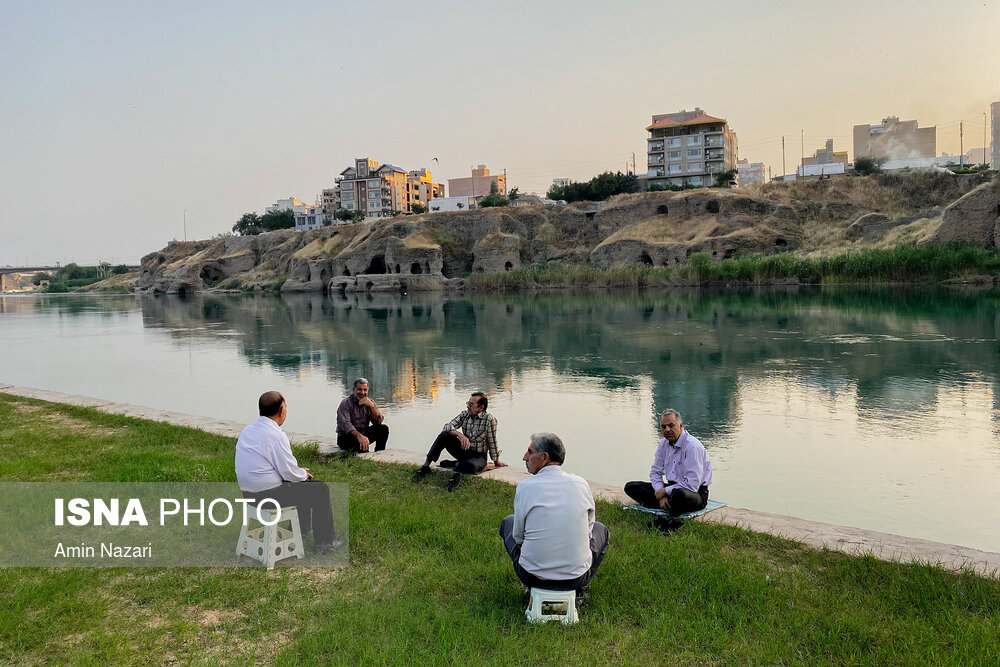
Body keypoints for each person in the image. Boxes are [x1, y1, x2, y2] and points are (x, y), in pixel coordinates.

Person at [498, 433, 609, 604]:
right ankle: (579, 591)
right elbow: (588, 531)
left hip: (532, 576)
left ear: (544, 458)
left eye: (529, 452)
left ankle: (534, 588)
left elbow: (518, 537)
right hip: (576, 578)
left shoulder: (525, 487)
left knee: (508, 522)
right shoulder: (580, 484)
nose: (524, 457)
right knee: (600, 529)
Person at [235, 391, 340, 553]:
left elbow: (279, 469)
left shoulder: (247, 431)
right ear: (280, 410)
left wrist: (298, 474)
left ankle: (299, 532)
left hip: (248, 494)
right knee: (320, 489)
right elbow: (289, 473)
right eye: (285, 407)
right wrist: (302, 474)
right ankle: (325, 544)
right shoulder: (275, 435)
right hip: (267, 496)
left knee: (300, 485)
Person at [411, 391, 507, 491]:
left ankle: (456, 472)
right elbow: (447, 426)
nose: (468, 406)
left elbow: (492, 442)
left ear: (480, 408)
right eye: (468, 403)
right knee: (444, 435)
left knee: (470, 466)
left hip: (478, 456)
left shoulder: (489, 420)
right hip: (464, 450)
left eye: (471, 404)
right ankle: (425, 467)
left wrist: (496, 461)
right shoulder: (464, 414)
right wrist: (459, 434)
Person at [624, 409, 712, 517]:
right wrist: (661, 494)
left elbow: (692, 484)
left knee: (678, 495)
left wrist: (665, 491)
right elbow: (655, 472)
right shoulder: (663, 444)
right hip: (671, 489)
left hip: (694, 493)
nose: (667, 430)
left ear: (680, 426)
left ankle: (670, 509)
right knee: (631, 487)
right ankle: (667, 503)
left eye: (671, 425)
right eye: (663, 427)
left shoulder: (693, 446)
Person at [336, 378, 389, 453]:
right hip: (347, 436)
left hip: (363, 433)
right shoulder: (346, 403)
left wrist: (373, 407)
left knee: (383, 429)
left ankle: (379, 453)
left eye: (365, 390)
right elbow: (346, 425)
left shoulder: (370, 402)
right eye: (359, 389)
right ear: (353, 390)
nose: (362, 392)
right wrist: (359, 436)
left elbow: (377, 422)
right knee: (359, 446)